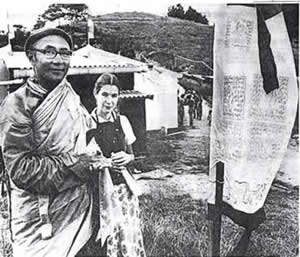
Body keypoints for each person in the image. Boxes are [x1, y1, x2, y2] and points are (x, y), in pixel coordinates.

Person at [0, 28, 109, 257]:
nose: (59, 60)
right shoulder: (16, 105)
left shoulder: (71, 98)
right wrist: (77, 164)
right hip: (40, 226)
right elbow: (21, 170)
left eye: (65, 53)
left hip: (81, 213)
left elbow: (88, 141)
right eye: (49, 52)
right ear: (32, 57)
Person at [86, 73, 146, 257]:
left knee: (128, 236)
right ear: (96, 94)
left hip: (124, 191)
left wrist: (128, 158)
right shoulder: (87, 123)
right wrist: (102, 163)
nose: (109, 101)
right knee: (108, 239)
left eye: (114, 96)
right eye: (105, 95)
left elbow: (132, 155)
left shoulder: (123, 121)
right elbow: (83, 162)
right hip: (101, 193)